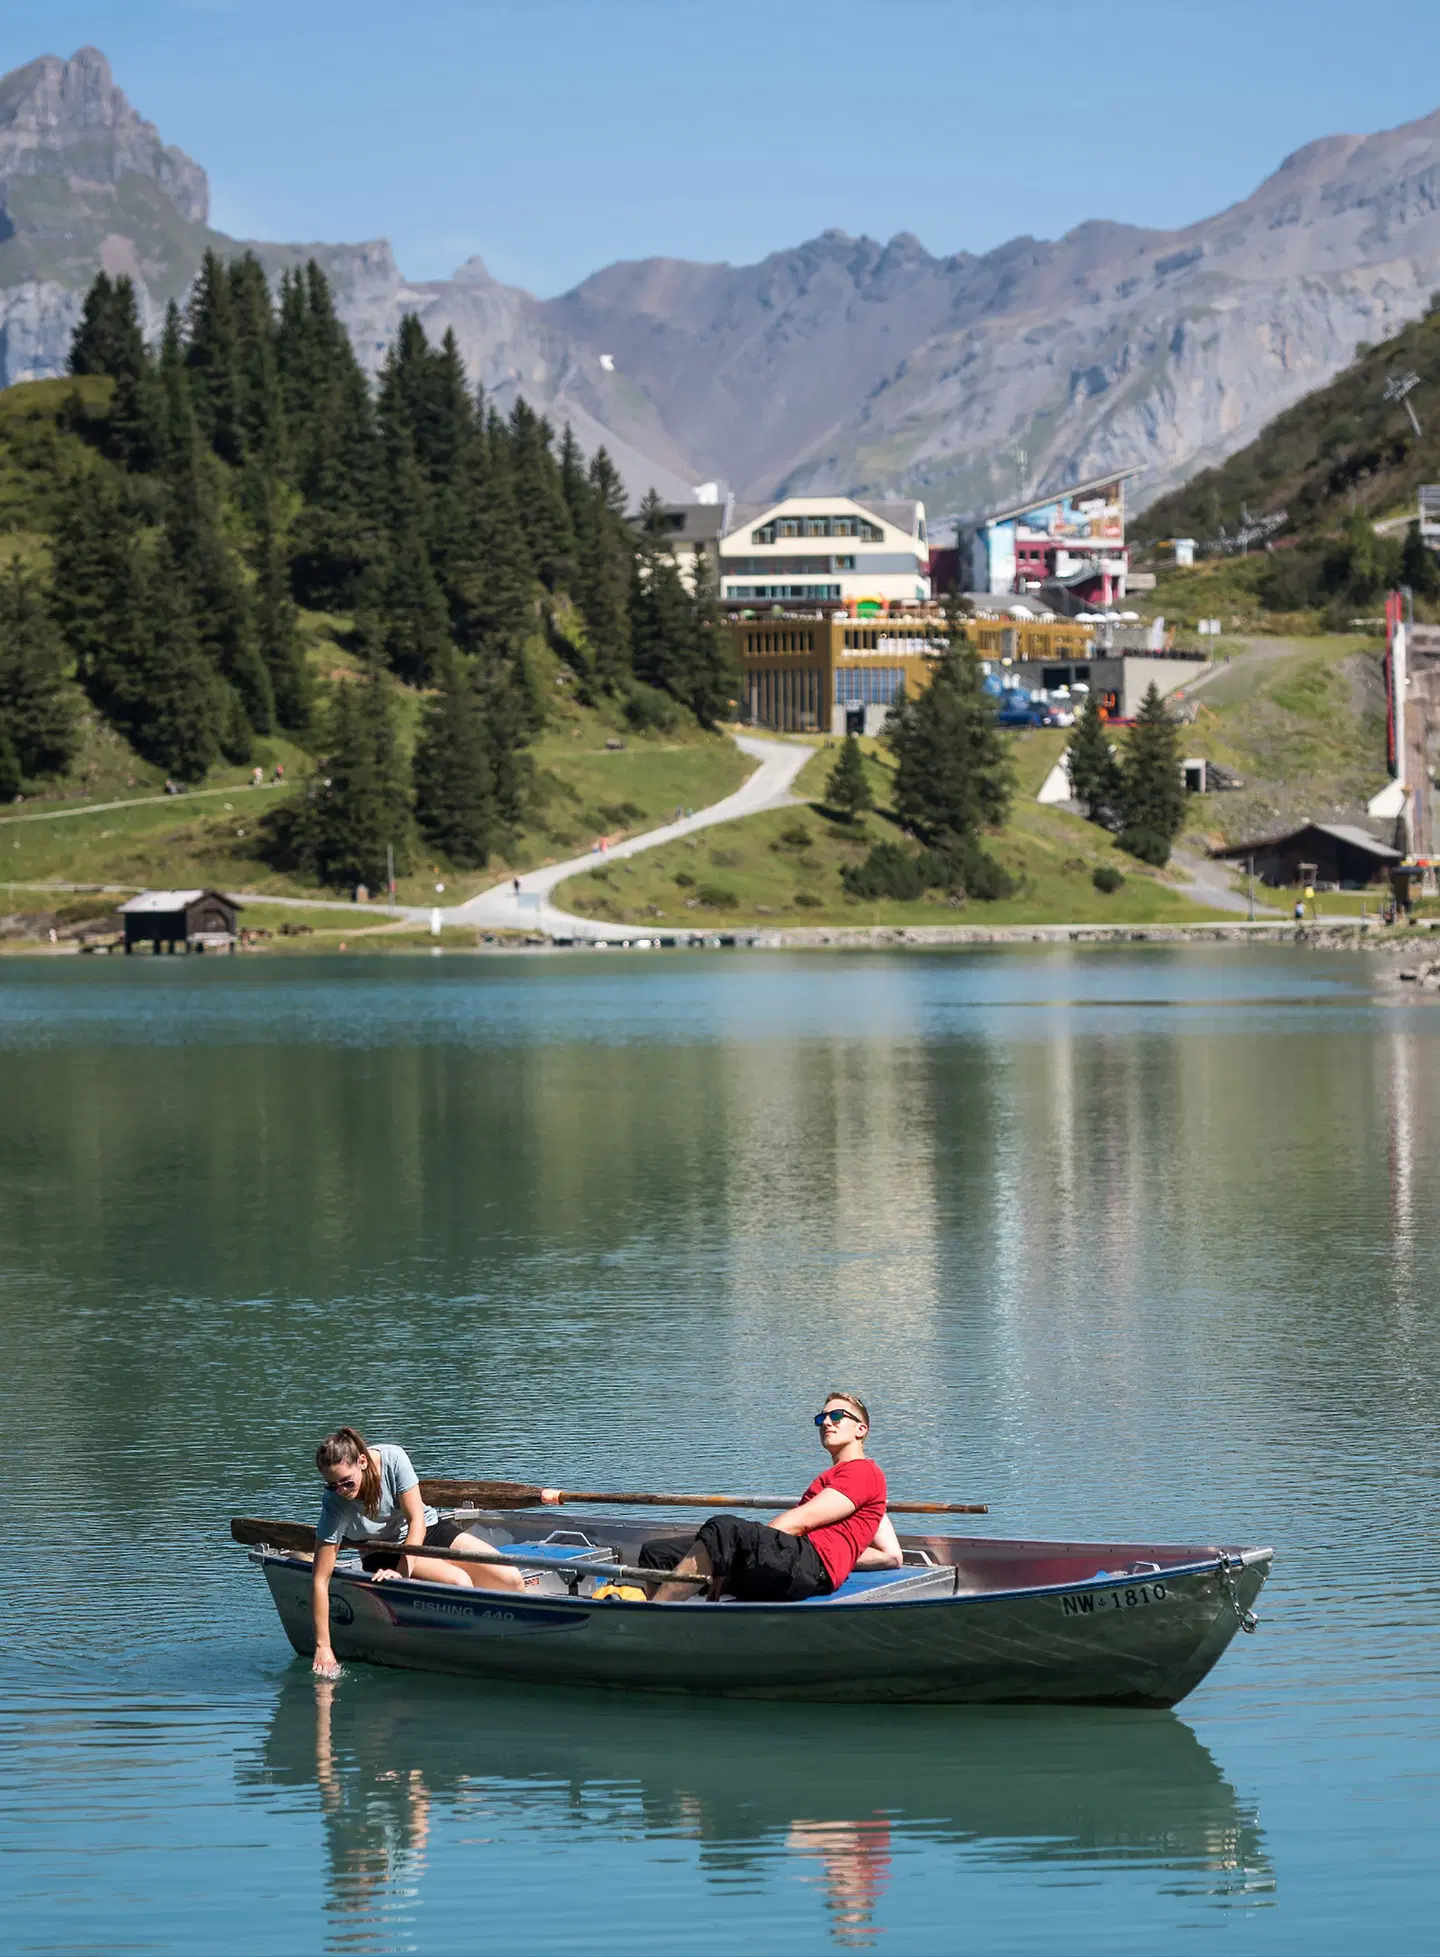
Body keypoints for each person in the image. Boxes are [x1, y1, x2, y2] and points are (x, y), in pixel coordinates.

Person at [309, 1427, 531, 1679]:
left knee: (511, 1578)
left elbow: (417, 1521)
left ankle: (520, 1640)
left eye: (347, 1482)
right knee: (459, 1582)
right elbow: (320, 1579)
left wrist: (401, 1573)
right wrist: (323, 1647)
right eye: (332, 1486)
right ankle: (483, 1650)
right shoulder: (335, 1503)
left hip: (426, 1529)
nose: (342, 1491)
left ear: (362, 1462)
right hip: (381, 1549)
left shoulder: (393, 1458)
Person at [642, 1392, 896, 1603]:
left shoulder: (863, 1472)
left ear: (861, 1429)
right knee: (658, 1553)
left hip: (812, 1566)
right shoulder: (838, 1477)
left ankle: (655, 1624)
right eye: (821, 1418)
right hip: (793, 1558)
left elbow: (802, 1520)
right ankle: (672, 1622)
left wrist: (733, 1551)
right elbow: (888, 1549)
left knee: (723, 1529)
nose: (827, 1422)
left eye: (837, 1416)